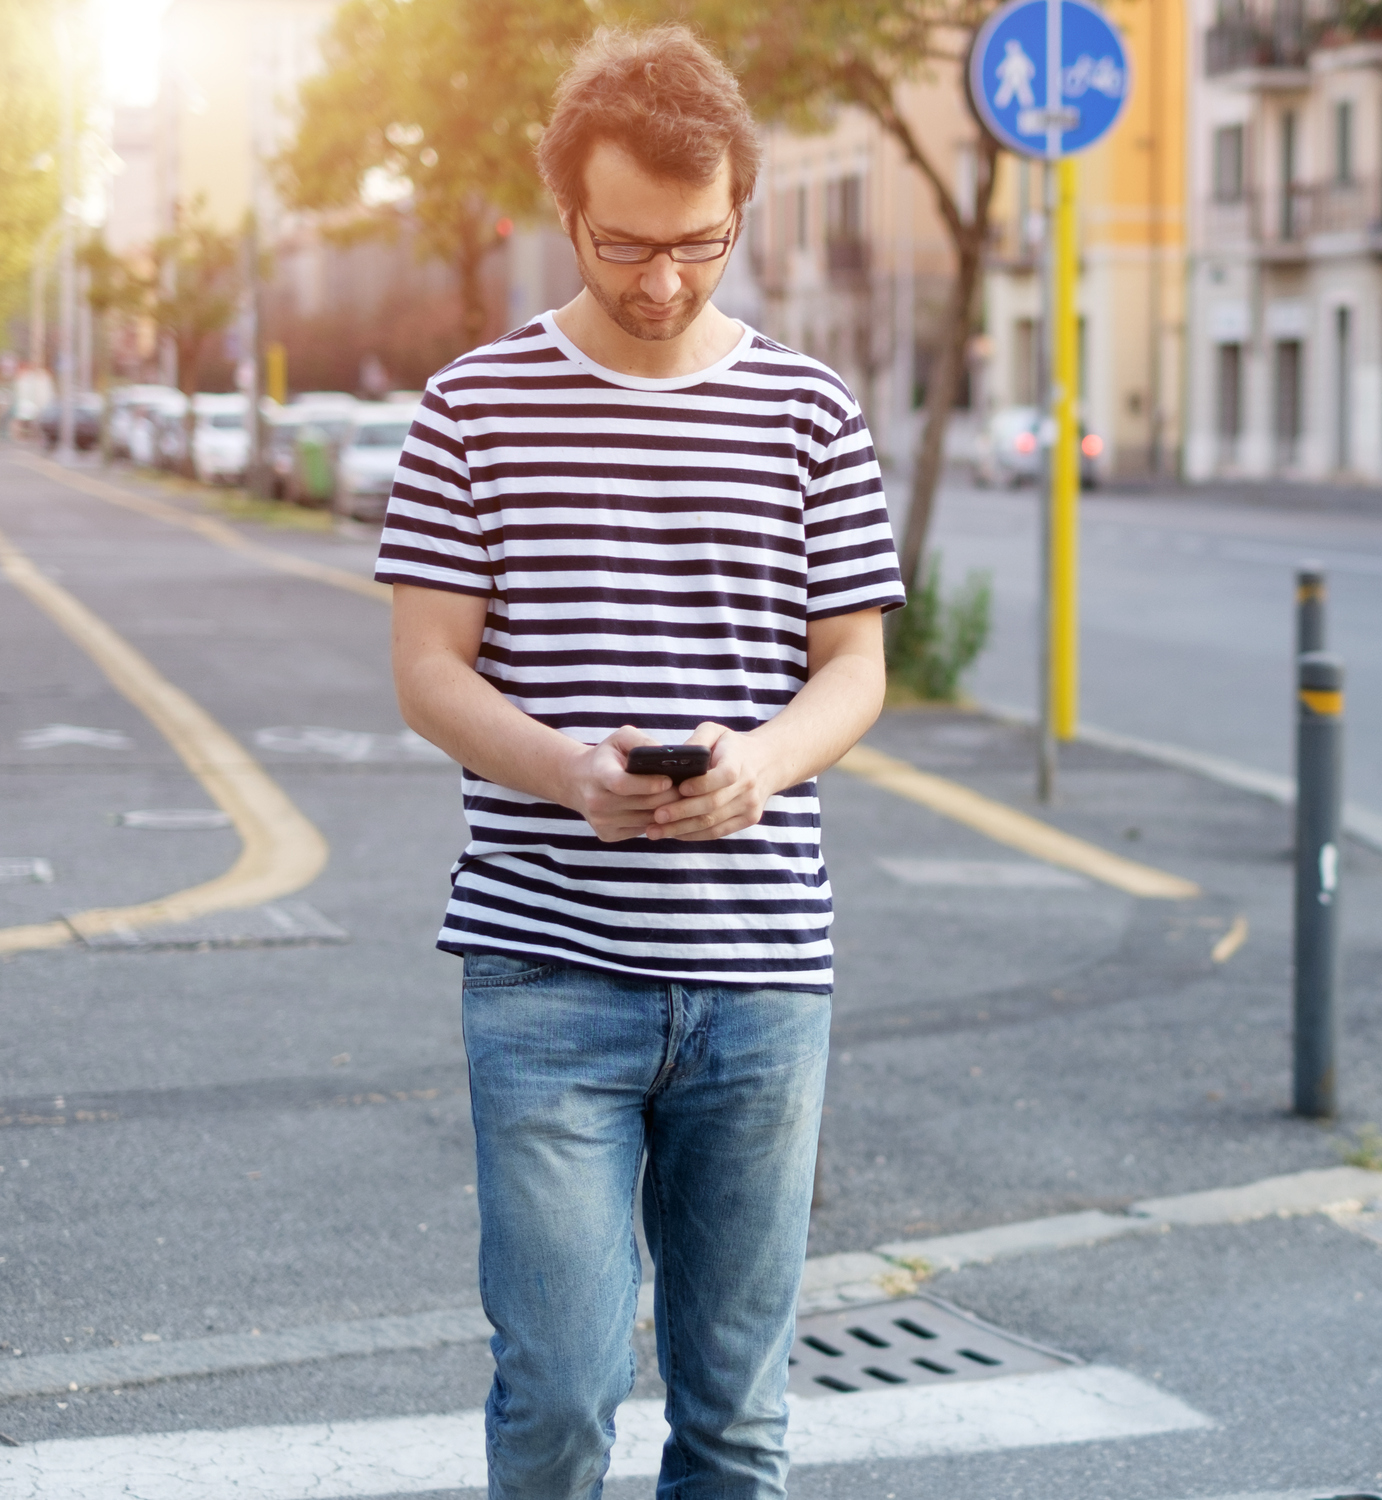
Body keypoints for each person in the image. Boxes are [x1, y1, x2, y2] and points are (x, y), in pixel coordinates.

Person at [377, 24, 904, 1498]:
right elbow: (427, 669)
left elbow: (853, 670)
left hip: (760, 977)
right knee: (557, 1397)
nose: (665, 280)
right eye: (627, 245)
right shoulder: (472, 409)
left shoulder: (811, 411)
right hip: (546, 975)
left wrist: (760, 765)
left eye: (702, 242)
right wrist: (567, 773)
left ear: (740, 210)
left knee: (738, 1420)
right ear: (567, 215)